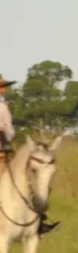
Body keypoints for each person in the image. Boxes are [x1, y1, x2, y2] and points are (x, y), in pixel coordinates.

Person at [0, 72, 60, 236]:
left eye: (3, 87)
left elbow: (11, 132)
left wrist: (5, 132)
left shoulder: (4, 108)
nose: (3, 90)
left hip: (3, 154)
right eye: (1, 87)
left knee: (28, 181)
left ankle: (38, 220)